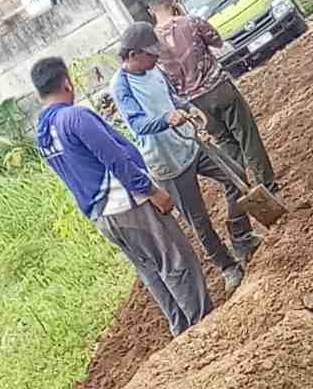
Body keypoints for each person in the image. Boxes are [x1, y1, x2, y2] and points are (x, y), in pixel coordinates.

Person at [31, 56, 211, 337]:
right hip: (128, 205)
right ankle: (206, 327)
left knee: (150, 271)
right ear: (67, 83)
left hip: (102, 215)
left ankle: (182, 331)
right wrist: (153, 191)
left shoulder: (43, 133)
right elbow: (116, 160)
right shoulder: (75, 117)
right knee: (176, 261)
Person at [110, 21, 261, 294]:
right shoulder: (121, 86)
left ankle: (241, 236)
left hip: (190, 145)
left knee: (235, 173)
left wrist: (187, 107)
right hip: (167, 163)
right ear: (133, 56)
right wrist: (167, 119)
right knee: (199, 220)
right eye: (151, 54)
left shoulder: (154, 70)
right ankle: (227, 267)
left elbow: (173, 98)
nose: (157, 58)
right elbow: (138, 125)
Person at [145, 0, 280, 195]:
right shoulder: (191, 22)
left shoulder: (152, 46)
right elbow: (216, 41)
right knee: (247, 136)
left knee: (226, 143)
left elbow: (162, 79)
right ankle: (268, 186)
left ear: (150, 10)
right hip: (218, 87)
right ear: (172, 2)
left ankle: (245, 191)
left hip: (194, 104)